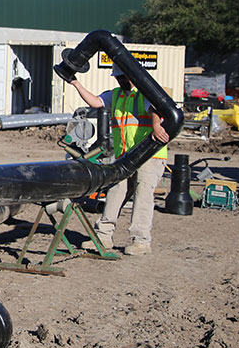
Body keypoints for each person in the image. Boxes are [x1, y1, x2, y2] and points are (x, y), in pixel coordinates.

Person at [70, 64, 170, 256]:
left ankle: (141, 241)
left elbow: (157, 108)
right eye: (118, 78)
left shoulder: (145, 93)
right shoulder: (115, 95)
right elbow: (96, 102)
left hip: (150, 154)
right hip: (126, 155)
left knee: (142, 196)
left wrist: (156, 125)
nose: (121, 81)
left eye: (124, 77)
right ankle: (103, 236)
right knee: (116, 190)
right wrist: (75, 84)